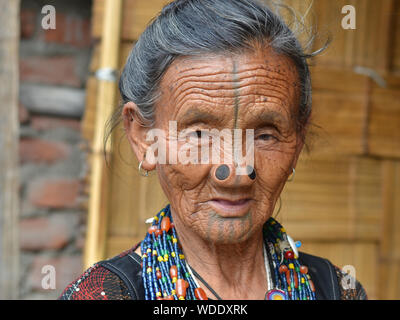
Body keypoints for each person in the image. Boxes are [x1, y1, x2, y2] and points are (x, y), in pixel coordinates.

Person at [60, 0, 367, 300]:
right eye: (199, 133)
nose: (235, 173)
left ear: (297, 140)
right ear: (144, 137)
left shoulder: (337, 290)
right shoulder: (103, 295)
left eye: (264, 135)